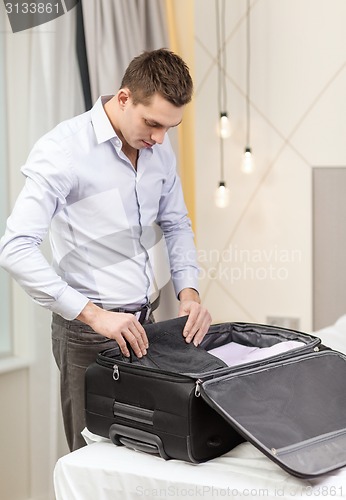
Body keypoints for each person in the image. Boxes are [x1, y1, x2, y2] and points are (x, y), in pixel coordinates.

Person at [0, 48, 212, 451]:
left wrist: (188, 293)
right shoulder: (63, 150)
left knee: (150, 457)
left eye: (171, 128)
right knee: (93, 463)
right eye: (153, 124)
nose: (160, 139)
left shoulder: (158, 148)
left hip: (149, 326)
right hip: (87, 335)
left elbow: (177, 223)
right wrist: (95, 316)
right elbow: (15, 248)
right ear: (124, 97)